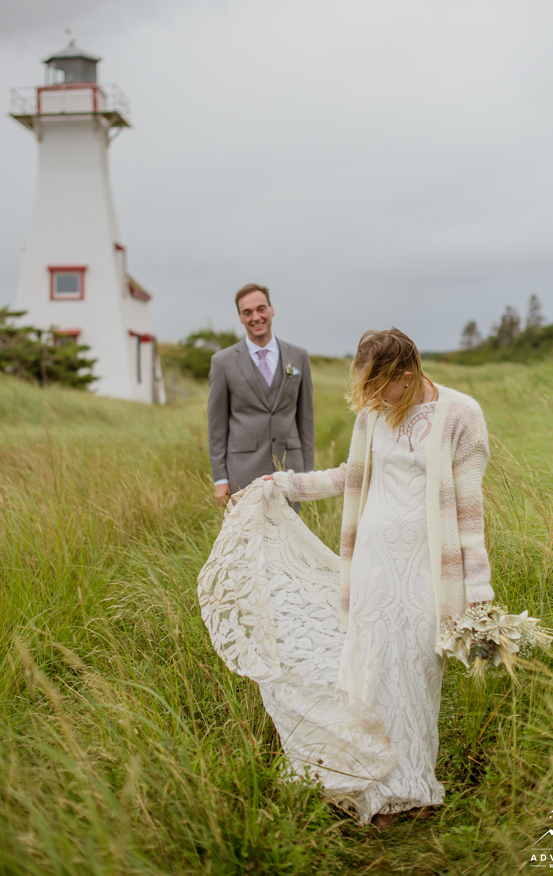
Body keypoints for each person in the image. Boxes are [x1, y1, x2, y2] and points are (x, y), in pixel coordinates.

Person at [198, 326, 494, 827]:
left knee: (416, 678)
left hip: (427, 575)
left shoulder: (461, 416)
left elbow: (470, 513)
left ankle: (413, 789)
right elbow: (347, 477)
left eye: (380, 389)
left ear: (407, 374)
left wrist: (479, 595)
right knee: (373, 674)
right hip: (372, 570)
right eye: (366, 391)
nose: (373, 400)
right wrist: (284, 482)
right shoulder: (373, 414)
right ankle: (374, 787)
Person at [207, 283, 314, 505]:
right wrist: (221, 478)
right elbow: (216, 425)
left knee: (290, 537)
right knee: (249, 538)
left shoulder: (299, 356)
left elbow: (306, 419)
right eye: (247, 312)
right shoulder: (222, 362)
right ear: (240, 317)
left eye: (261, 309)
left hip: (290, 472)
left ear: (271, 309)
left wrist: (308, 474)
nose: (256, 317)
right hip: (243, 473)